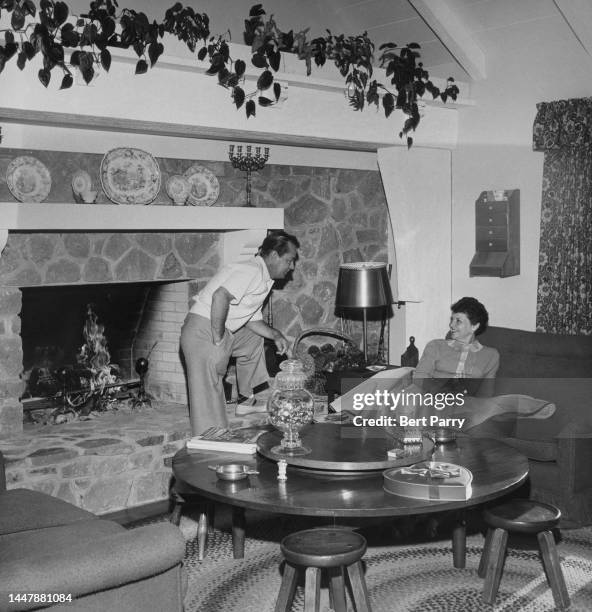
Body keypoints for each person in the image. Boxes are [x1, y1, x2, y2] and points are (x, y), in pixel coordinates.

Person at [180, 230, 300, 435]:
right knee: (208, 397)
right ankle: (211, 442)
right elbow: (220, 297)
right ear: (273, 256)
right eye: (289, 260)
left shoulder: (264, 277)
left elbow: (251, 319)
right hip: (202, 330)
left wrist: (276, 335)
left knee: (253, 337)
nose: (292, 267)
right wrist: (218, 341)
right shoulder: (251, 270)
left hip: (217, 326)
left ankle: (246, 400)